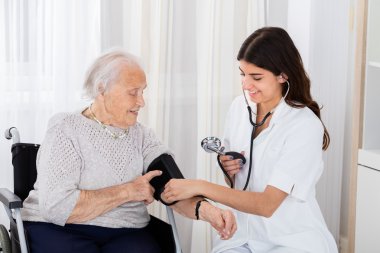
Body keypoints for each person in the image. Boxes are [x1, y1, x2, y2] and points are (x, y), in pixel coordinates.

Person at [21, 50, 237, 253]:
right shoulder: (65, 128)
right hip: (59, 229)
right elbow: (57, 207)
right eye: (133, 92)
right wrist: (128, 191)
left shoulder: (143, 136)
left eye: (143, 91)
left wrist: (208, 211)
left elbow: (173, 187)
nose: (141, 101)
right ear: (101, 89)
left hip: (127, 232)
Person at [163, 27, 339, 253]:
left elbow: (267, 205)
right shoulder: (240, 107)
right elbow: (236, 184)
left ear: (283, 75)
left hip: (289, 240)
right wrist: (229, 169)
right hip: (241, 236)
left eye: (256, 77)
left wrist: (199, 186)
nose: (246, 85)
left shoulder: (303, 125)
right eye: (242, 74)